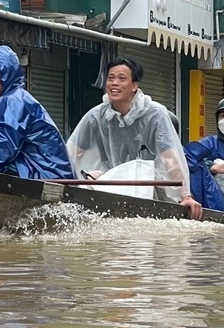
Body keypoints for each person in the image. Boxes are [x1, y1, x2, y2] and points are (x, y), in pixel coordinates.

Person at [66, 57, 201, 216]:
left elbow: (170, 158)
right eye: (111, 78)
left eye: (121, 78)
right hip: (108, 186)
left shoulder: (155, 114)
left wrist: (185, 196)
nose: (114, 83)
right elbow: (71, 153)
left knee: (138, 167)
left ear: (134, 86)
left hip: (146, 187)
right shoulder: (96, 115)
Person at [0, 45, 74, 180]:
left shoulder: (12, 100)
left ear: (6, 75)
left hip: (45, 175)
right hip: (48, 173)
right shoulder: (15, 97)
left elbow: (2, 150)